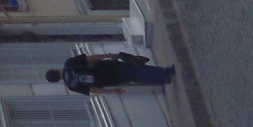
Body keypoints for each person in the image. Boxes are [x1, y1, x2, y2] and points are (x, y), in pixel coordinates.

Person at [45, 52, 177, 92]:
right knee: (139, 70)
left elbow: (94, 89)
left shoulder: (72, 86)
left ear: (57, 80)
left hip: (111, 80)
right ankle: (166, 73)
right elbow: (91, 58)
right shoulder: (69, 64)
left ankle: (161, 80)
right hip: (110, 67)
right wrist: (108, 55)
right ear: (55, 70)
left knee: (137, 78)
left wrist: (112, 91)